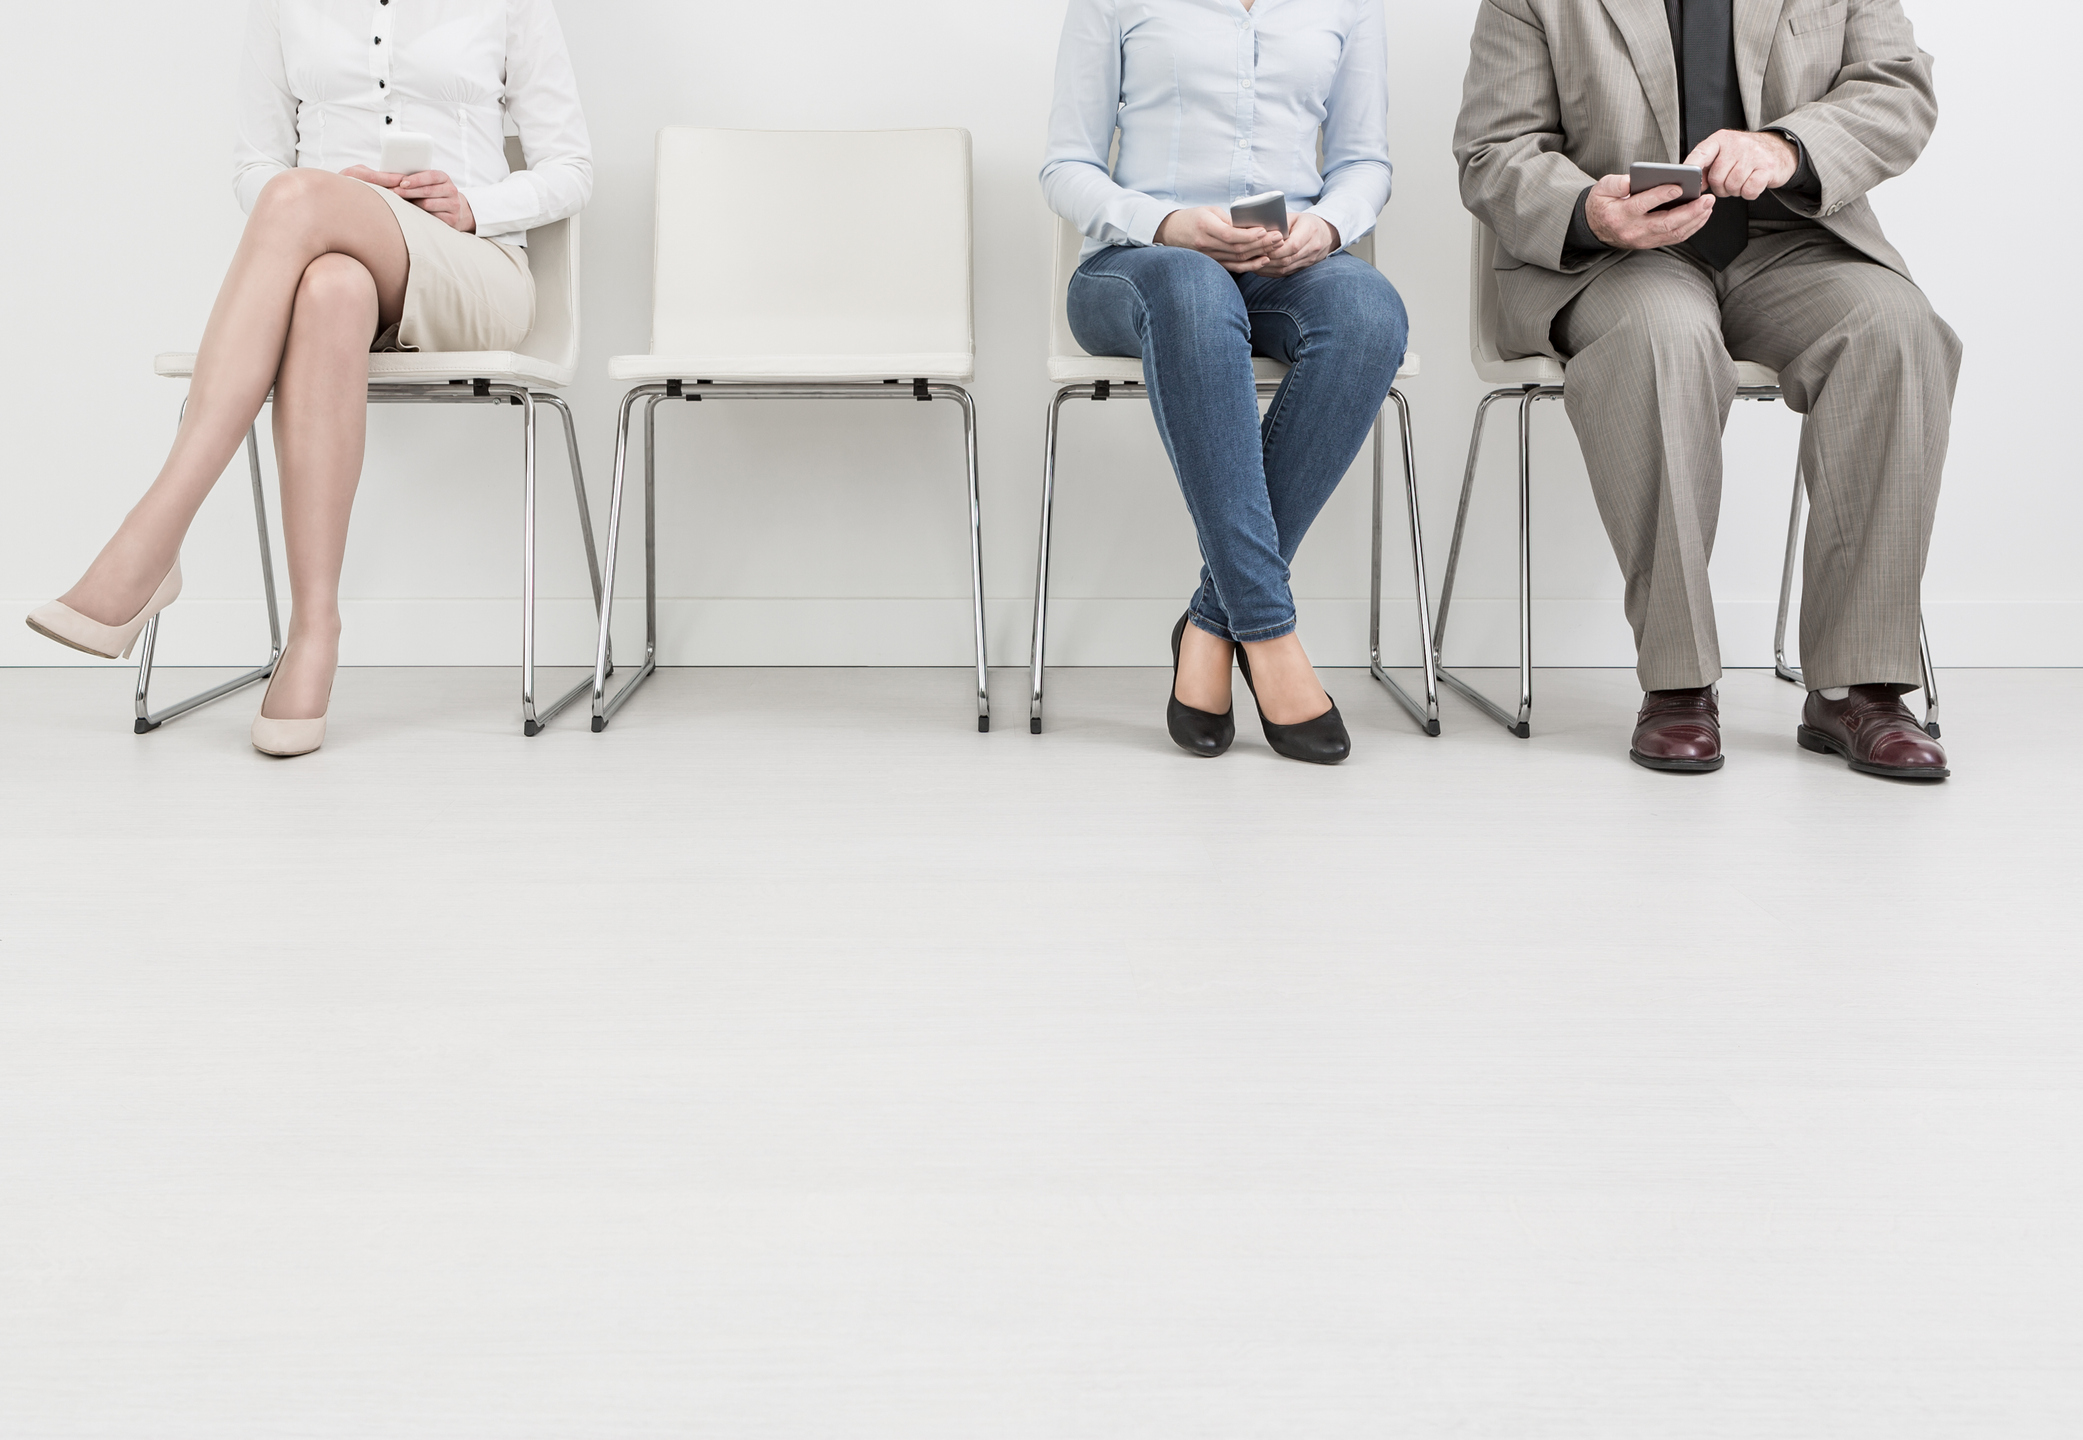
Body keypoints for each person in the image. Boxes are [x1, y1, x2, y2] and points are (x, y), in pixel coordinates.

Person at [26, 0, 591, 758]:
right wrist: (342, 200)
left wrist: (471, 205)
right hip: (339, 265)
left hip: (472, 271)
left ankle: (153, 538)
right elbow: (251, 167)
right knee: (329, 285)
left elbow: (571, 167)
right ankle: (313, 629)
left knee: (298, 194)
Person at [1453, 0, 1957, 780]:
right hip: (1615, 253)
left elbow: (1898, 90)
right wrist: (1589, 210)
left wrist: (1786, 148)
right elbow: (1492, 152)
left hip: (1791, 241)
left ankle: (1859, 688)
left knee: (1895, 328)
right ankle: (1678, 682)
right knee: (1665, 337)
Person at [1041, 0, 1409, 764]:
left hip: (1287, 263)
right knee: (1193, 290)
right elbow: (1065, 164)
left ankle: (1213, 621)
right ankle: (1269, 634)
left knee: (1369, 312)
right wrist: (1166, 224)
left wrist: (1329, 227)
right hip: (1136, 267)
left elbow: (1363, 160)